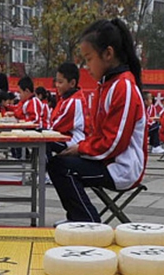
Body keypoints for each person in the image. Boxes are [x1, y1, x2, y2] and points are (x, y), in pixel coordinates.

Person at [47, 19, 146, 223]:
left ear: (108, 54)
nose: (86, 67)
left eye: (89, 59)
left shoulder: (124, 87)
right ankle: (79, 218)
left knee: (61, 167)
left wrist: (81, 149)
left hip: (122, 166)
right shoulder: (107, 85)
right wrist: (82, 147)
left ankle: (87, 221)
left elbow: (114, 143)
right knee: (58, 163)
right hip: (108, 159)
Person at [51, 62, 92, 152]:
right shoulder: (66, 99)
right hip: (68, 138)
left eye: (60, 82)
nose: (57, 85)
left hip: (75, 142)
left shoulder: (74, 101)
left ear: (72, 83)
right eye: (56, 81)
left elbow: (56, 125)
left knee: (46, 143)